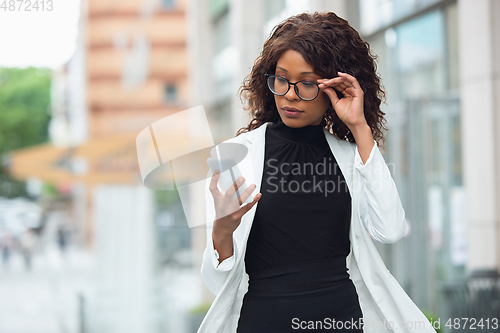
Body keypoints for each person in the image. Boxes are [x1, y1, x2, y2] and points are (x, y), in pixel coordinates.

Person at [198, 12, 436, 333]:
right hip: (264, 321)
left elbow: (390, 229)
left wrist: (360, 128)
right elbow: (217, 283)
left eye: (308, 83)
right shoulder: (234, 157)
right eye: (281, 79)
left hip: (340, 318)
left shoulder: (351, 156)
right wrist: (221, 233)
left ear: (334, 87)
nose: (290, 94)